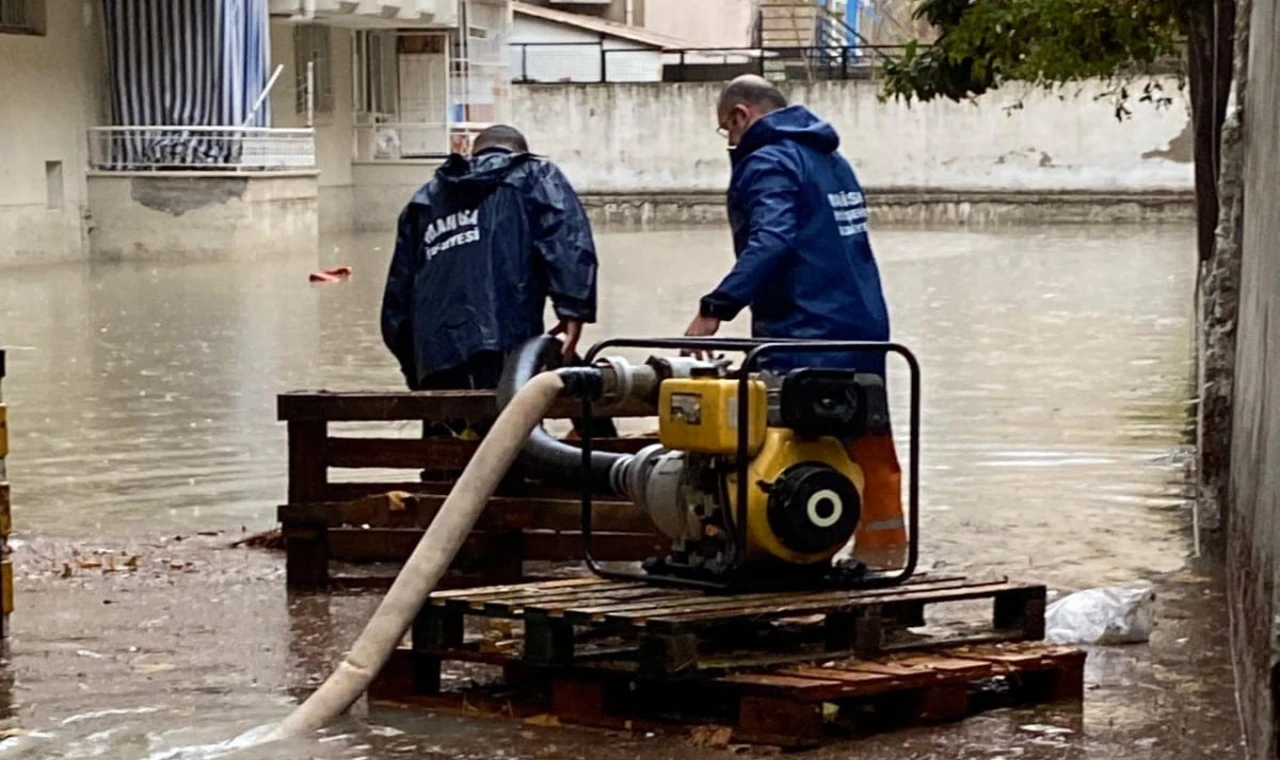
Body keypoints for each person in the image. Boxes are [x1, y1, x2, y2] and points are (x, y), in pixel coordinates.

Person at [684, 76, 907, 569]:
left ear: (742, 115)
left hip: (805, 332)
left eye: (727, 130)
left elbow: (773, 240)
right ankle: (885, 559)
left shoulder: (769, 161)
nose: (729, 142)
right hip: (864, 328)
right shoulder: (832, 161)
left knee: (790, 450)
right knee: (866, 440)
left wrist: (716, 307)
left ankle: (787, 561)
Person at [380, 125, 599, 439]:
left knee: (446, 459)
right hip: (505, 346)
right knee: (509, 451)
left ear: (474, 152)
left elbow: (396, 303)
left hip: (436, 359)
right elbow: (566, 240)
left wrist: (416, 367)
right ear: (519, 151)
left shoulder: (425, 199)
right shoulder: (535, 176)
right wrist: (572, 312)